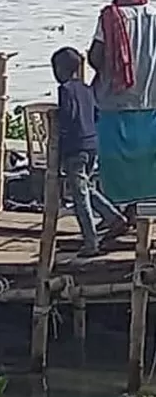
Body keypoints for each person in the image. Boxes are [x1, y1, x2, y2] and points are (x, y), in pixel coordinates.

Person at [88, 0, 156, 206]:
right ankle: (147, 211)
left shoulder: (111, 17)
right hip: (150, 102)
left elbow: (96, 57)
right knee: (148, 165)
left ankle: (117, 212)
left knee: (114, 165)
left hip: (113, 103)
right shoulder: (154, 15)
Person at [52, 47, 125, 256]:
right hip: (92, 145)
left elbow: (68, 117)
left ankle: (90, 242)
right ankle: (113, 217)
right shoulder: (86, 89)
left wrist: (61, 143)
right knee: (85, 186)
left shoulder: (65, 90)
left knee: (79, 196)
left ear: (61, 70)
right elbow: (95, 115)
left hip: (75, 148)